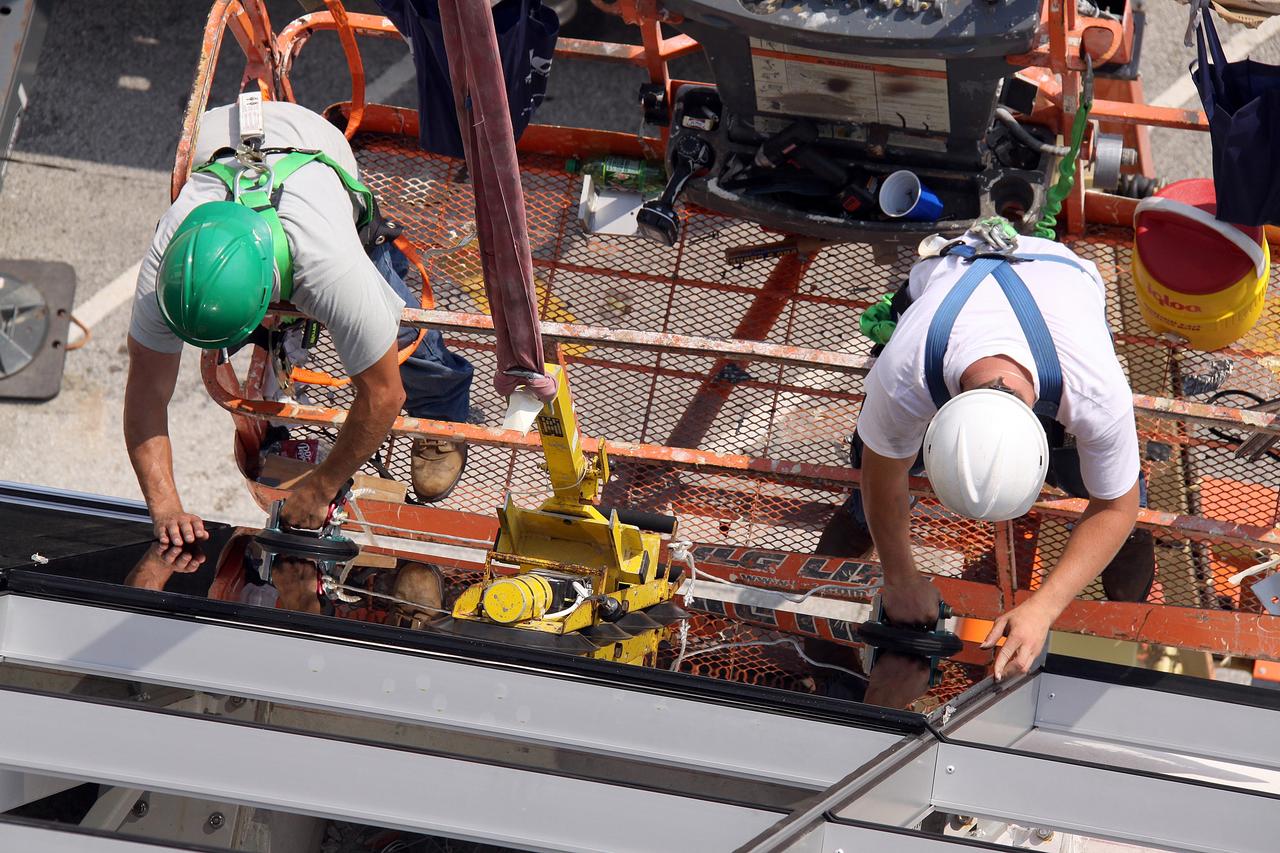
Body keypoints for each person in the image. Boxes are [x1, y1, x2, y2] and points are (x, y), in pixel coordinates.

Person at [125, 100, 473, 546]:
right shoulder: (169, 266)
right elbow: (146, 395)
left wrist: (321, 487)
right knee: (285, 336)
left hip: (312, 148)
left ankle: (442, 404)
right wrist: (166, 507)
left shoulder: (332, 268)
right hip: (221, 141)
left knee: (403, 334)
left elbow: (384, 395)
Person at [818, 225, 1151, 681]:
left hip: (1061, 281)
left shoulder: (1095, 392)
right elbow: (882, 471)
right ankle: (843, 567)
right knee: (878, 463)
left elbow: (1116, 505)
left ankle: (1127, 610)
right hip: (953, 276)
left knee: (1119, 493)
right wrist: (899, 579)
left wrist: (1044, 609)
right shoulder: (905, 373)